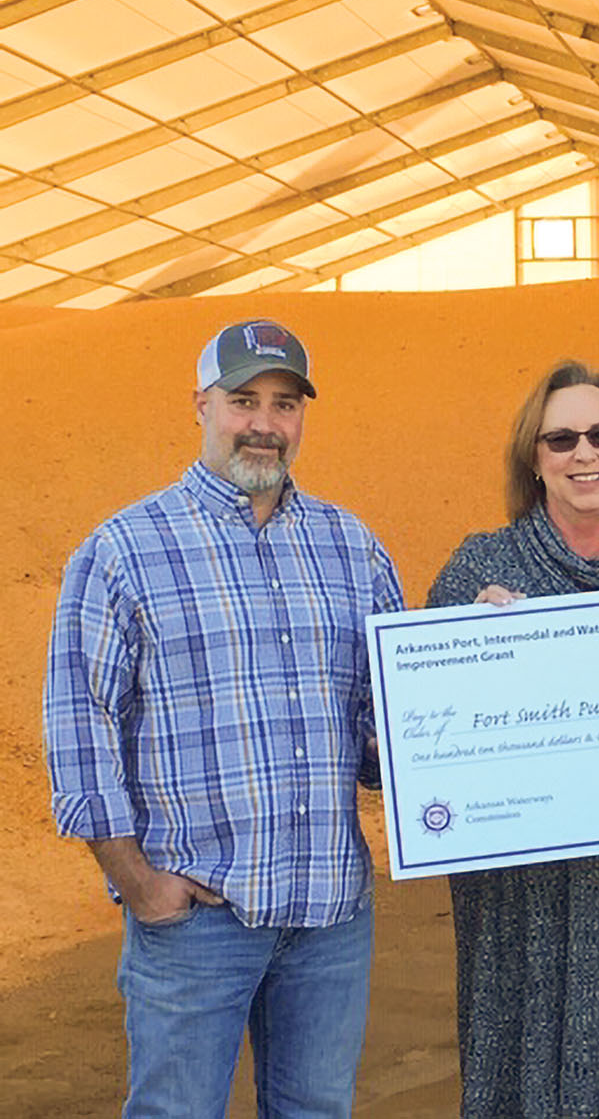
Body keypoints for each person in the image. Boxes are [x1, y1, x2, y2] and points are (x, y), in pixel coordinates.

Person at [44, 318, 404, 1117]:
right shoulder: (124, 551)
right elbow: (81, 725)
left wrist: (479, 682)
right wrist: (136, 882)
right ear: (200, 405)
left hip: (328, 915)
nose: (265, 424)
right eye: (244, 400)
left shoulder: (352, 547)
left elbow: (386, 729)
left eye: (285, 404)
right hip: (198, 916)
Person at [426, 361, 599, 1119]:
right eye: (562, 439)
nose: (586, 454)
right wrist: (466, 645)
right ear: (533, 458)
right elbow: (427, 733)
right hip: (522, 895)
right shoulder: (480, 570)